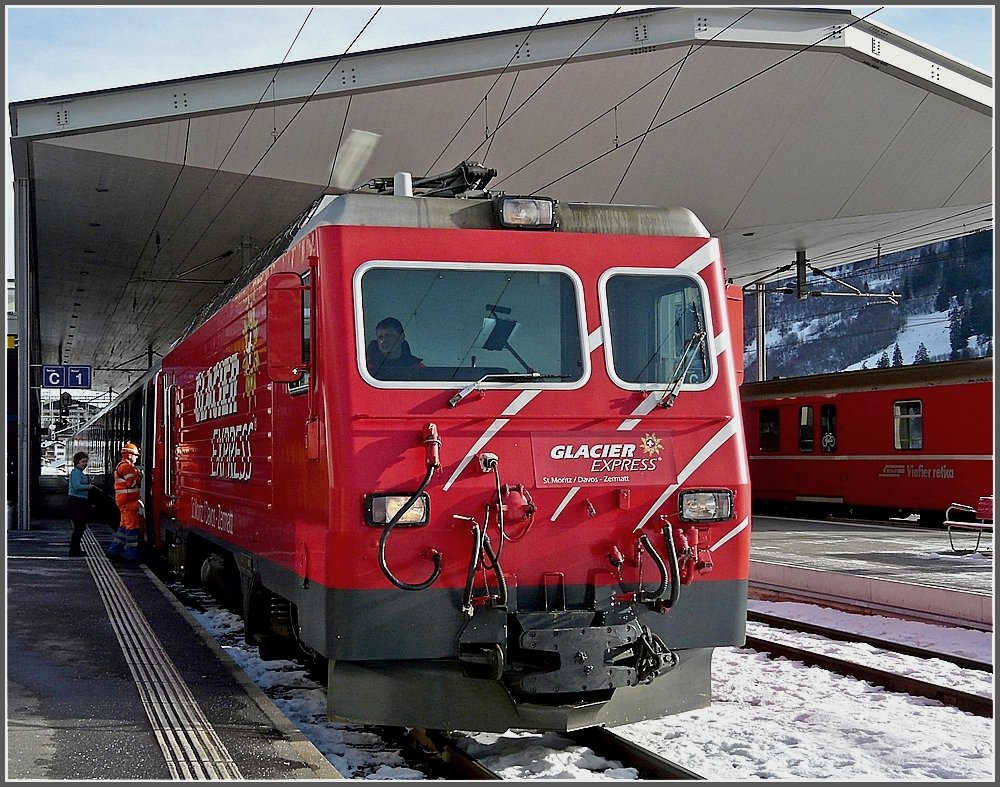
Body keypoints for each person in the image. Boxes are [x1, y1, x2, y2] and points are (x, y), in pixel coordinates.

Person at [106, 442, 144, 562]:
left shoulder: (121, 465)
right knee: (132, 527)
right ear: (129, 455)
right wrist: (140, 476)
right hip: (128, 502)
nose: (137, 457)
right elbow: (131, 483)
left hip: (125, 501)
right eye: (135, 455)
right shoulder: (127, 467)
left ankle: (113, 550)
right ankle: (132, 555)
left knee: (123, 527)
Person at [67, 451, 98, 556]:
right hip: (77, 501)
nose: (85, 464)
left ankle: (75, 549)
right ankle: (74, 550)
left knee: (80, 527)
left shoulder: (79, 473)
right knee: (79, 527)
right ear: (77, 462)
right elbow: (76, 486)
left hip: (80, 501)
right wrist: (89, 487)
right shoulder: (75, 472)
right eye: (82, 462)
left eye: (86, 462)